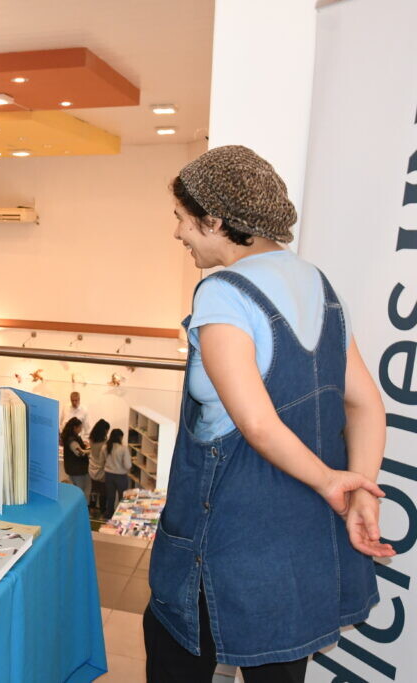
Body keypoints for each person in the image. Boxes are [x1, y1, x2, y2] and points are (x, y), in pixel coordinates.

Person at [144, 145, 394, 682]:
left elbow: (256, 423)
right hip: (299, 546)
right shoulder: (317, 283)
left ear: (215, 220)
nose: (178, 233)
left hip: (223, 538)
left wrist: (335, 482)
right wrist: (359, 489)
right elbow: (366, 403)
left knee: (173, 652)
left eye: (182, 218)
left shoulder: (222, 294)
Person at [102, 429, 131, 519]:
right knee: (122, 497)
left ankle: (109, 514)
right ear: (120, 437)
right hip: (121, 476)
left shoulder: (105, 447)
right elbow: (128, 465)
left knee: (110, 497)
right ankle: (121, 516)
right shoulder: (123, 449)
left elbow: (102, 460)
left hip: (108, 475)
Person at [61, 417, 91, 503]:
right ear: (75, 427)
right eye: (80, 427)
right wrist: (90, 451)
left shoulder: (70, 437)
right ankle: (82, 508)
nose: (81, 429)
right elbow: (79, 453)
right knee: (82, 491)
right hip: (78, 470)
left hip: (73, 469)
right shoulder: (72, 440)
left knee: (77, 491)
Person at [87, 418, 110, 515]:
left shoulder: (91, 439)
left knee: (94, 489)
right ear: (105, 430)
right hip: (101, 469)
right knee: (103, 491)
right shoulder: (105, 443)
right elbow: (106, 457)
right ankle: (102, 509)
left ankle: (92, 507)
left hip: (92, 467)